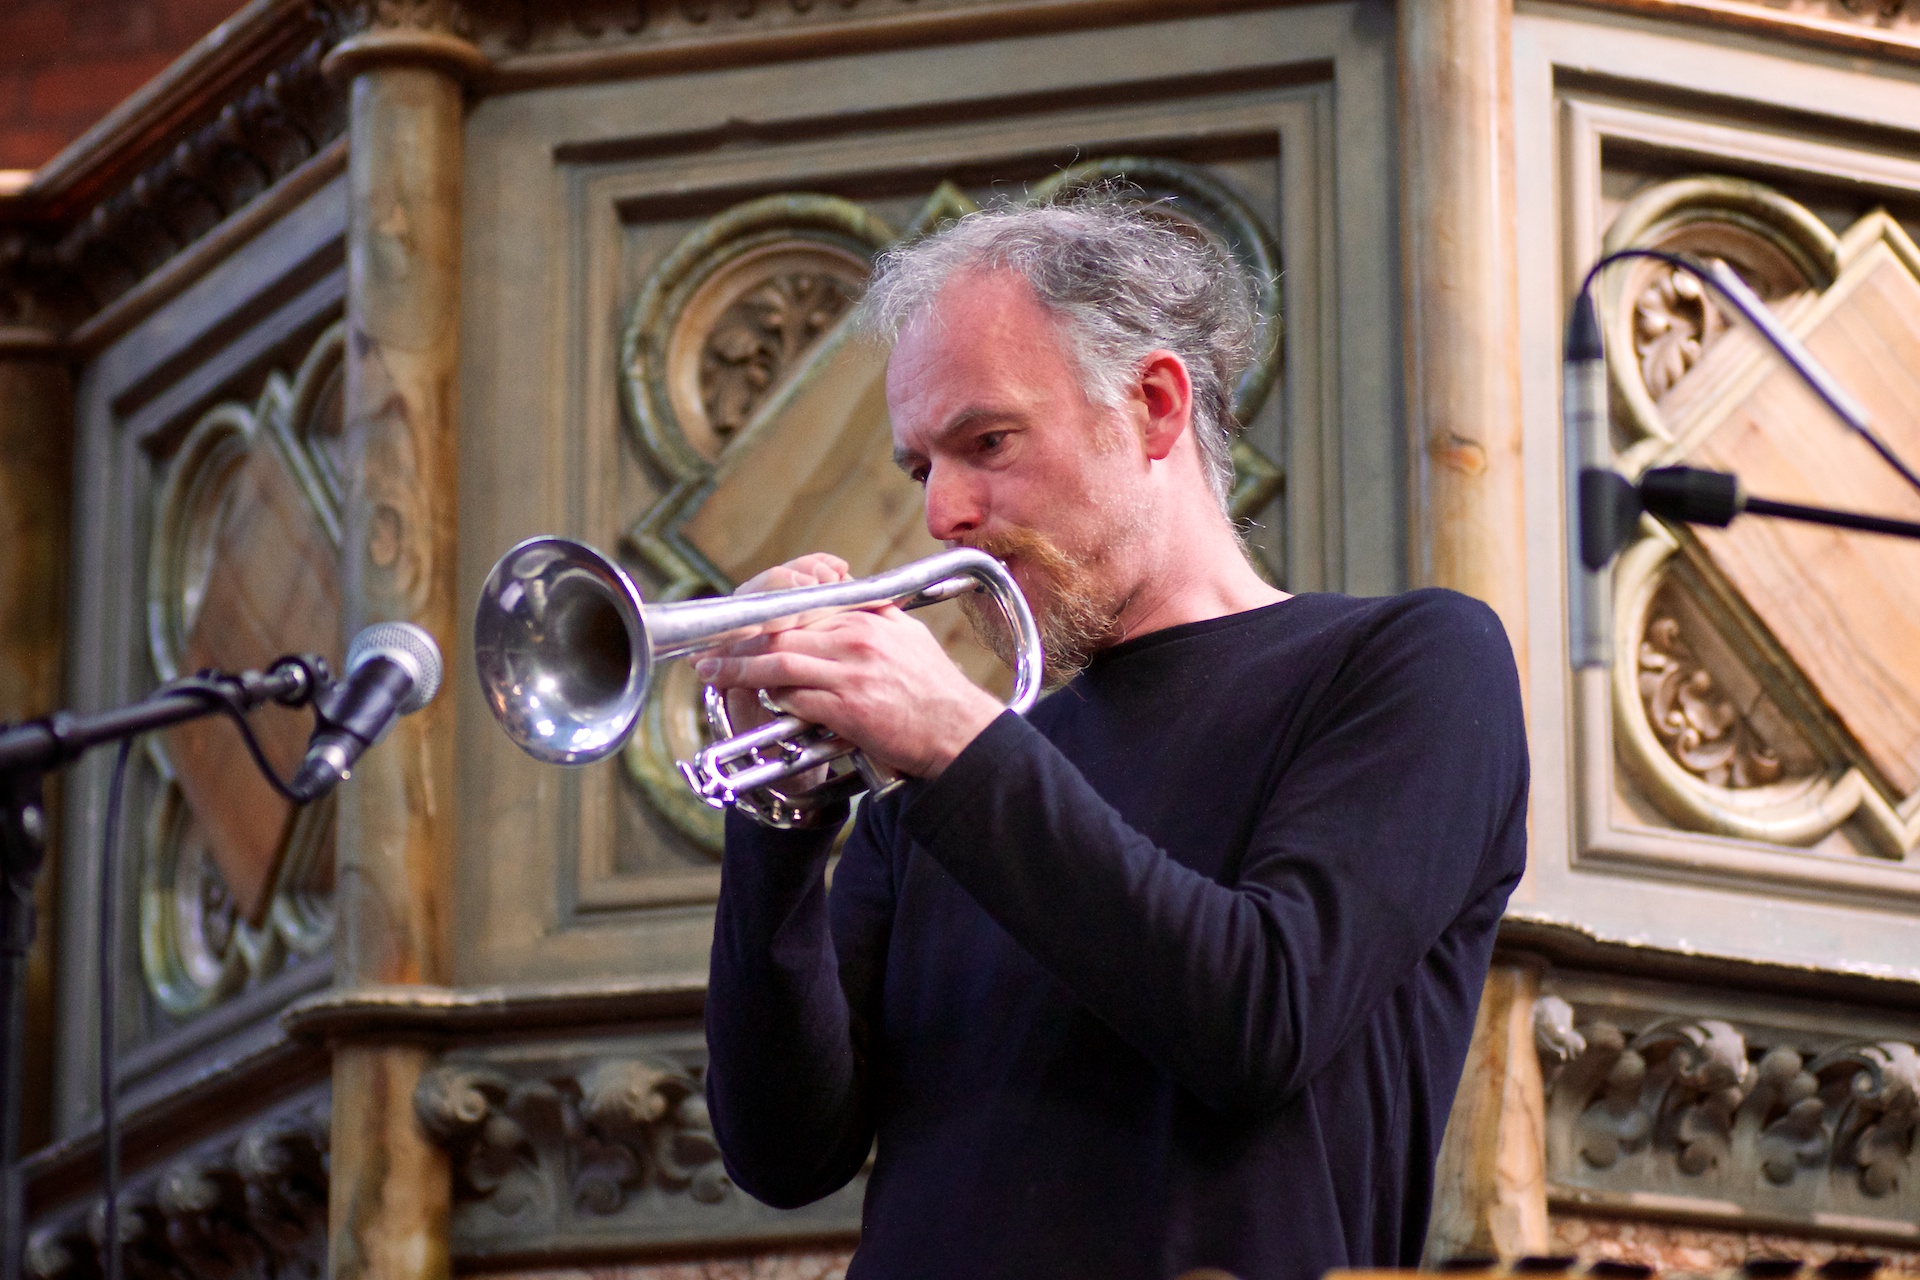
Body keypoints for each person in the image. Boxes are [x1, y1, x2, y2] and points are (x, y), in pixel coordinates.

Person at [693, 200, 1528, 1280]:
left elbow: (1260, 1015)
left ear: (1153, 404)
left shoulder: (1406, 661)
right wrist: (779, 815)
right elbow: (784, 1152)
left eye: (986, 440)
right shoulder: (938, 796)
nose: (943, 509)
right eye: (918, 468)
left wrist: (959, 741)